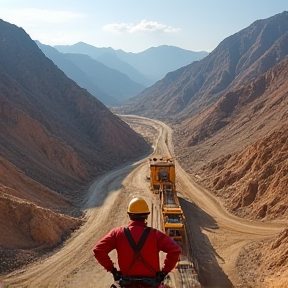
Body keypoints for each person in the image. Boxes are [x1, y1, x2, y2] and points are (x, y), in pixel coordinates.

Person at [93, 197, 181, 288]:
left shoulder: (118, 234)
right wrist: (164, 272)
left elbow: (98, 250)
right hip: (151, 284)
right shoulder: (155, 235)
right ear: (146, 216)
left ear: (129, 215)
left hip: (126, 282)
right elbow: (175, 250)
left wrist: (113, 270)